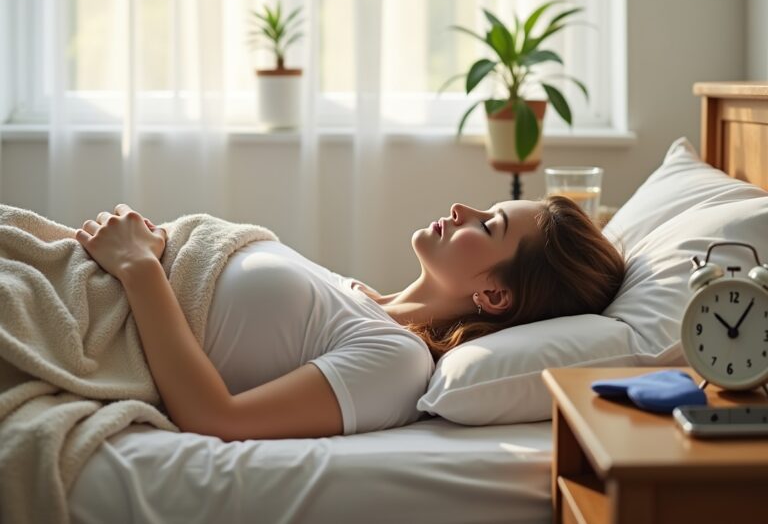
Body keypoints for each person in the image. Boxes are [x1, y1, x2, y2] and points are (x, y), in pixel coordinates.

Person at [74, 195, 625, 442]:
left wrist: (141, 267)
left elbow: (218, 421)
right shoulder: (358, 295)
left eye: (487, 226)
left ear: (496, 296)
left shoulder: (398, 360)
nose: (462, 210)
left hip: (87, 320)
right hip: (78, 277)